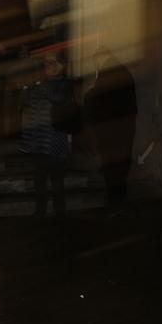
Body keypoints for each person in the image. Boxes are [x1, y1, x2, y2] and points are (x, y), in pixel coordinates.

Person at [19, 50, 75, 218]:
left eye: (51, 62)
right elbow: (25, 103)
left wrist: (39, 86)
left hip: (55, 142)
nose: (47, 66)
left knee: (57, 181)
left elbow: (57, 98)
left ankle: (60, 213)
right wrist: (25, 89)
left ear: (60, 66)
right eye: (45, 63)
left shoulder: (64, 84)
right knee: (39, 181)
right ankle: (40, 211)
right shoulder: (38, 84)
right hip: (37, 141)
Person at [84, 47, 137, 209]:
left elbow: (100, 98)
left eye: (96, 62)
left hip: (113, 131)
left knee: (113, 168)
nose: (96, 65)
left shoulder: (110, 72)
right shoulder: (119, 71)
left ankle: (116, 202)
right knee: (118, 167)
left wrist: (88, 96)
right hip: (122, 129)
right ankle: (118, 200)